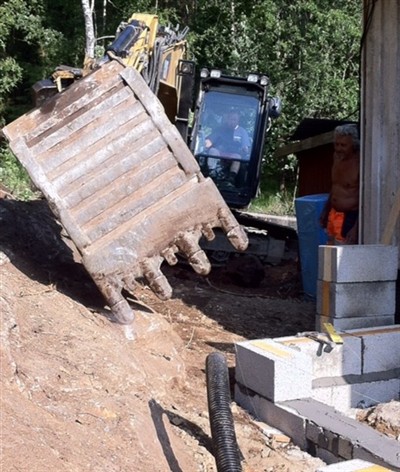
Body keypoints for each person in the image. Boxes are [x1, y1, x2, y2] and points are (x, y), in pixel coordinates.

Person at [320, 123, 360, 245]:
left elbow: (365, 200)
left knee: (343, 256)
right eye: (336, 144)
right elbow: (335, 186)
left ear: (353, 145)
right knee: (330, 251)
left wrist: (355, 228)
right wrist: (326, 211)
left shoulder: (360, 163)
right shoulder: (336, 157)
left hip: (350, 217)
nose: (338, 148)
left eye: (343, 145)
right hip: (333, 214)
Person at [204, 111, 251, 184]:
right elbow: (210, 141)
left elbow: (245, 147)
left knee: (237, 157)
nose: (232, 121)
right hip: (220, 153)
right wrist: (205, 143)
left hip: (233, 155)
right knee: (212, 151)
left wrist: (244, 150)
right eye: (230, 119)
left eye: (234, 119)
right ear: (227, 120)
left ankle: (231, 178)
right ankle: (212, 173)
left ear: (238, 121)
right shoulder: (220, 129)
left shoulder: (242, 132)